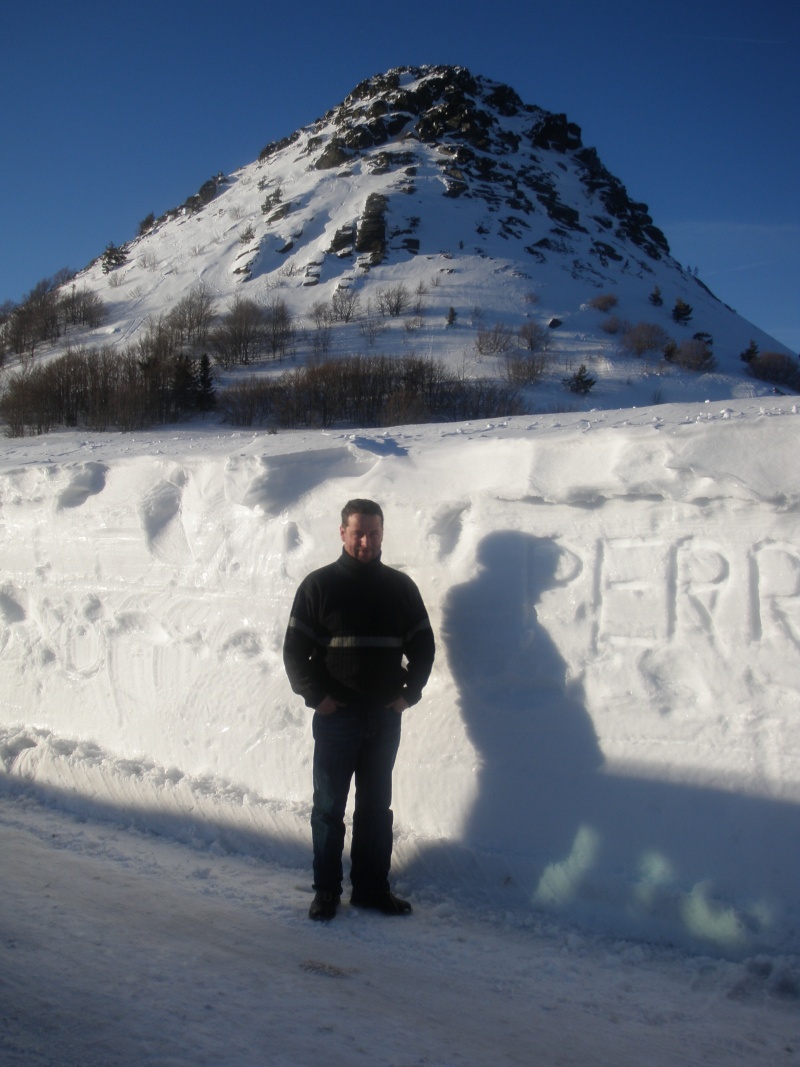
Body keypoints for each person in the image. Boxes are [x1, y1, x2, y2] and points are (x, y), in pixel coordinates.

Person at [283, 499, 435, 921]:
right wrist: (318, 696)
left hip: (384, 718)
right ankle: (327, 891)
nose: (366, 541)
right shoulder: (319, 587)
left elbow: (423, 646)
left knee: (375, 810)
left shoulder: (400, 588)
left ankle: (371, 889)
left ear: (383, 534)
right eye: (358, 533)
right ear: (342, 533)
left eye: (373, 532)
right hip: (337, 718)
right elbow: (295, 651)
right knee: (329, 809)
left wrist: (410, 692)